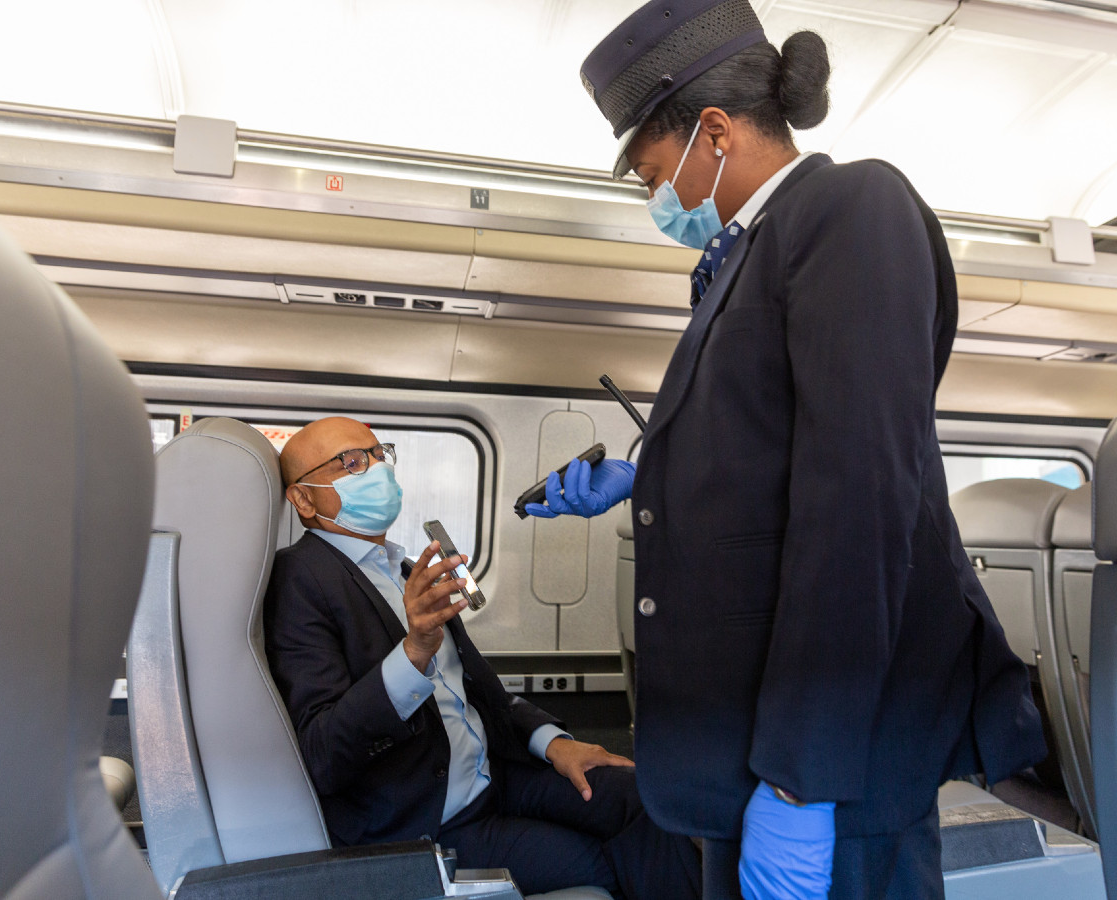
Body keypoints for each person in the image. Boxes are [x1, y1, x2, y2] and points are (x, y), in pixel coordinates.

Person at [525, 1, 1047, 898]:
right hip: (754, 755)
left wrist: (802, 782)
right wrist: (651, 476)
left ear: (715, 133)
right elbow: (778, 454)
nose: (661, 200)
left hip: (825, 767)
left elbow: (858, 505)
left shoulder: (852, 210)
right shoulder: (747, 255)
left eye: (656, 173)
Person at [263, 416, 701, 900]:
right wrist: (413, 654)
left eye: (377, 454)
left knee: (647, 797)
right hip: (432, 814)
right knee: (605, 861)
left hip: (495, 771)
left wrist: (554, 743)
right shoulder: (300, 579)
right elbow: (324, 753)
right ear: (303, 498)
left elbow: (480, 690)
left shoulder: (406, 566)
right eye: (350, 461)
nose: (374, 469)